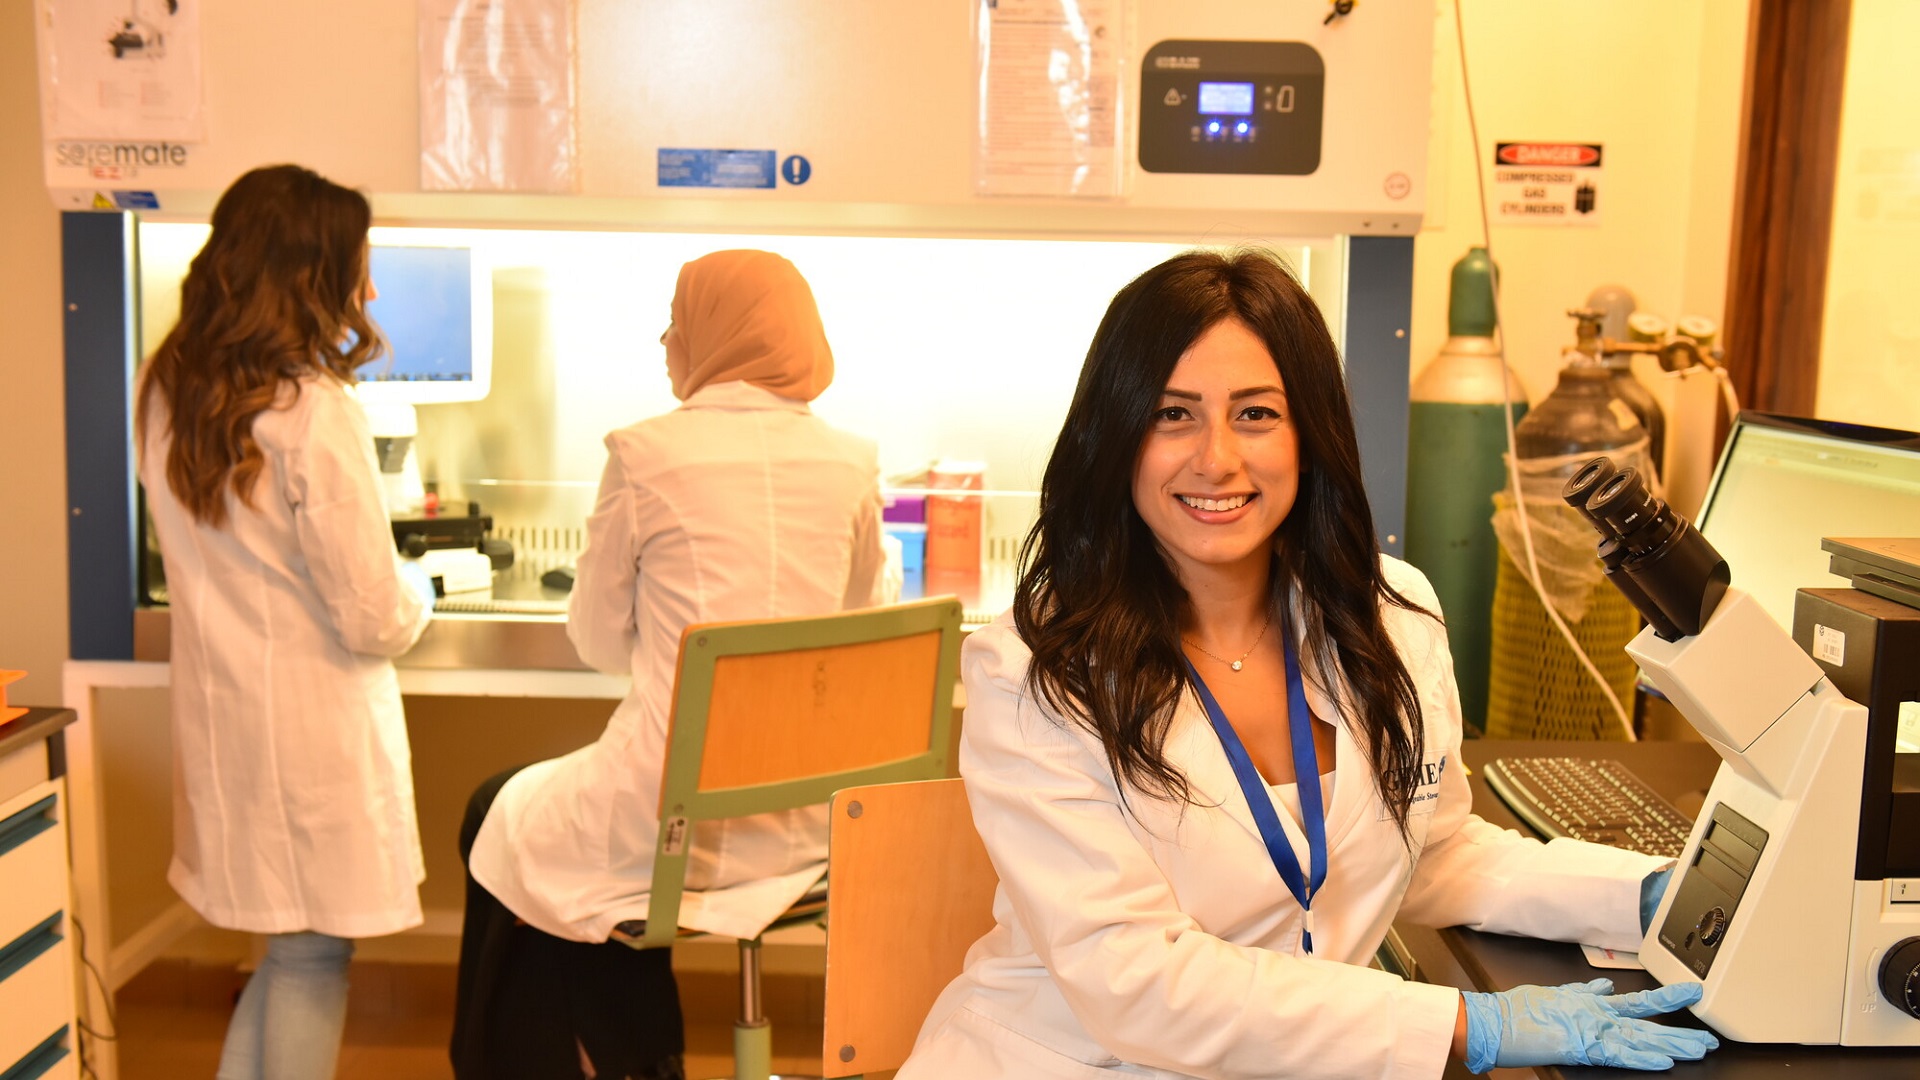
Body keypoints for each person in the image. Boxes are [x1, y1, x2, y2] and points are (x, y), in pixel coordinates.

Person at [896, 249, 1720, 1078]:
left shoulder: (1391, 617)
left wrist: (1651, 895)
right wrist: (1470, 1024)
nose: (1216, 458)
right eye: (1172, 415)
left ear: (1309, 432)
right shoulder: (1035, 671)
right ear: (1115, 437)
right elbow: (1134, 980)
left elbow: (1432, 854)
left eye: (1255, 414)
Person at [454, 249, 893, 1079]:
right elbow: (860, 627)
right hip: (815, 828)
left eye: (678, 319)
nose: (665, 338)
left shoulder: (644, 452)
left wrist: (661, 654)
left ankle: (605, 1062)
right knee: (560, 847)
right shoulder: (853, 462)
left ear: (712, 334)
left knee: (500, 816)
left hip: (670, 825)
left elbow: (591, 638)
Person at [135, 164, 437, 1080]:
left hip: (227, 724)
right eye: (359, 264)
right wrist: (422, 585)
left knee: (290, 948)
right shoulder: (313, 409)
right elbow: (373, 617)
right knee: (312, 954)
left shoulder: (167, 388)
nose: (371, 289)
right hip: (310, 734)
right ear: (308, 273)